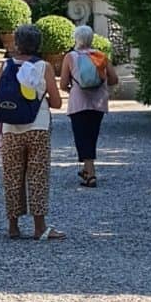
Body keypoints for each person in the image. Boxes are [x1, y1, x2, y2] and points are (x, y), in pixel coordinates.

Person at [0, 22, 65, 241]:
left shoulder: (5, 66)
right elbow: (57, 102)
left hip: (11, 128)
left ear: (17, 44)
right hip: (38, 127)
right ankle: (40, 227)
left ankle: (13, 226)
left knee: (12, 175)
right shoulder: (43, 67)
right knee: (38, 176)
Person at [58, 22, 119, 188]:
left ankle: (91, 174)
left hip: (79, 102)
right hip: (98, 102)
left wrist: (74, 89)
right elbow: (114, 79)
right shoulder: (100, 56)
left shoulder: (70, 57)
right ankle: (86, 170)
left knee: (81, 137)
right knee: (91, 136)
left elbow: (63, 84)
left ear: (76, 39)